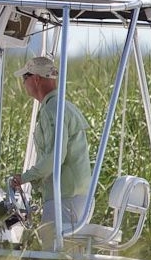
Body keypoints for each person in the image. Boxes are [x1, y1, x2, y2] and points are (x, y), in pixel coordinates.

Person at [8, 54, 93, 238]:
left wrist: (24, 178)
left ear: (36, 79)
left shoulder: (51, 110)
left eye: (25, 77)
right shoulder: (63, 106)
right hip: (79, 199)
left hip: (64, 200)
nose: (24, 83)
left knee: (51, 257)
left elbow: (55, 157)